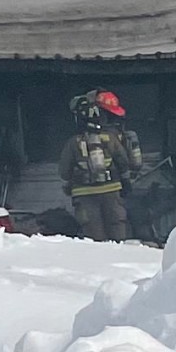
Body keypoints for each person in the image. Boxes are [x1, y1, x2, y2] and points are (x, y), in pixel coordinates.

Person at [59, 89, 142, 242]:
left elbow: (64, 170)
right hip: (112, 189)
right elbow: (123, 161)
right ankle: (122, 258)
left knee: (93, 234)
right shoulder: (111, 137)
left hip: (83, 193)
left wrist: (67, 187)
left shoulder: (72, 142)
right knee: (117, 230)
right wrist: (126, 182)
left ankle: (100, 263)